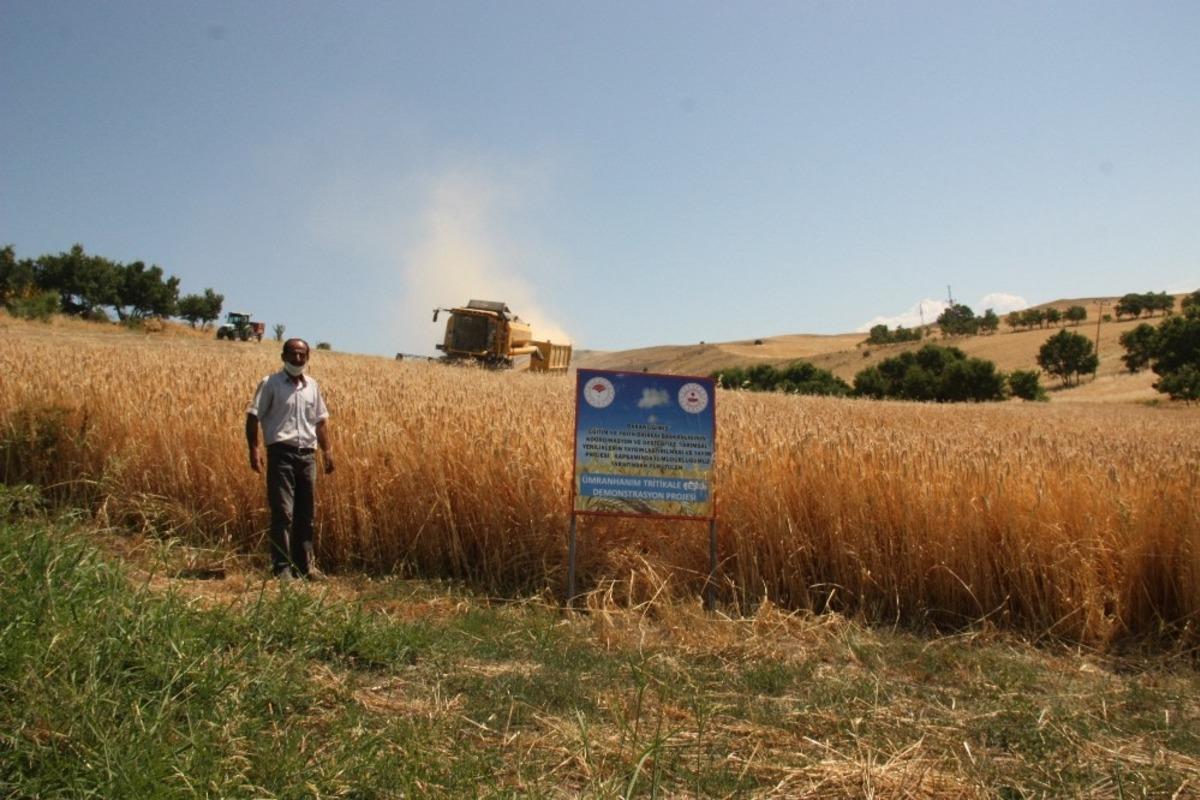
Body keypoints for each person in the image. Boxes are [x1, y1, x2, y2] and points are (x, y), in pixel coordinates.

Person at [245, 338, 335, 580]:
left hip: (307, 456)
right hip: (281, 454)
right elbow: (253, 417)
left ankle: (305, 567)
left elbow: (321, 421)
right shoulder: (270, 384)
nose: (297, 359)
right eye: (293, 354)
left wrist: (327, 451)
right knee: (283, 512)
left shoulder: (312, 387)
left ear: (308, 357)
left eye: (302, 355)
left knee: (306, 514)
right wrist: (254, 449)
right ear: (283, 356)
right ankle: (281, 568)